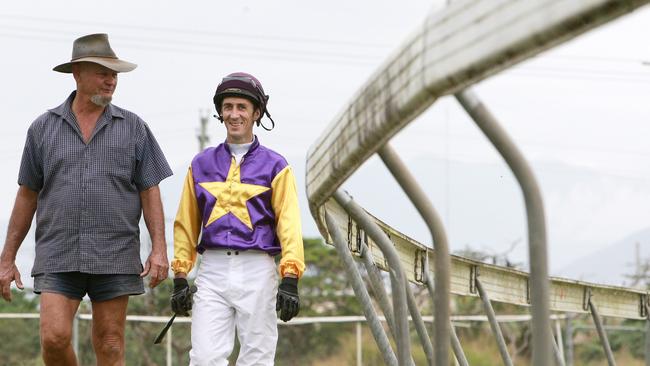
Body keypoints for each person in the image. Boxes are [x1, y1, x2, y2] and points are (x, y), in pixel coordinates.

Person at [0, 33, 173, 365]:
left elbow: (150, 189)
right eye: (102, 72)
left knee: (110, 344)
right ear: (77, 73)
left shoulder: (134, 128)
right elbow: (27, 194)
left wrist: (159, 249)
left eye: (114, 74)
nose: (111, 80)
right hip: (58, 251)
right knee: (54, 337)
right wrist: (7, 259)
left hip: (115, 252)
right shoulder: (42, 129)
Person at [171, 72, 305, 365]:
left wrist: (291, 277)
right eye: (228, 107)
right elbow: (186, 222)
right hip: (213, 270)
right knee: (205, 358)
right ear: (220, 112)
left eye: (241, 107)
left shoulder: (276, 166)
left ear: (256, 113)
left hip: (259, 269)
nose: (234, 114)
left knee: (257, 358)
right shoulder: (201, 164)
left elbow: (289, 224)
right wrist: (180, 275)